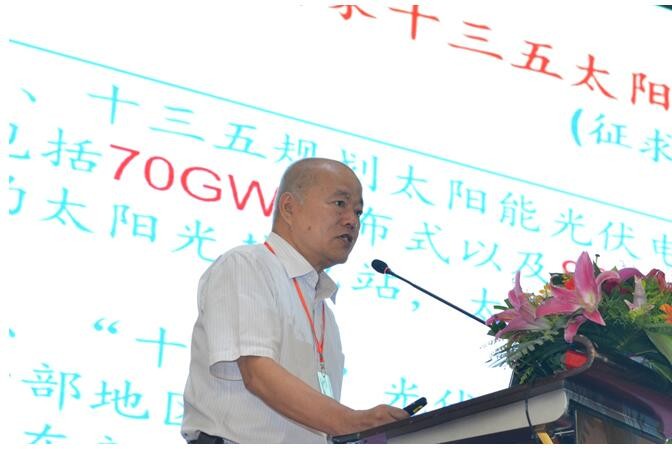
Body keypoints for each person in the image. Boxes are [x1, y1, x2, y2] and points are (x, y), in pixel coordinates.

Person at [181, 158, 408, 443]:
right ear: (289, 207)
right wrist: (352, 421)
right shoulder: (247, 265)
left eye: (358, 211)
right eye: (340, 204)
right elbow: (257, 373)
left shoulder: (323, 309)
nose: (352, 220)